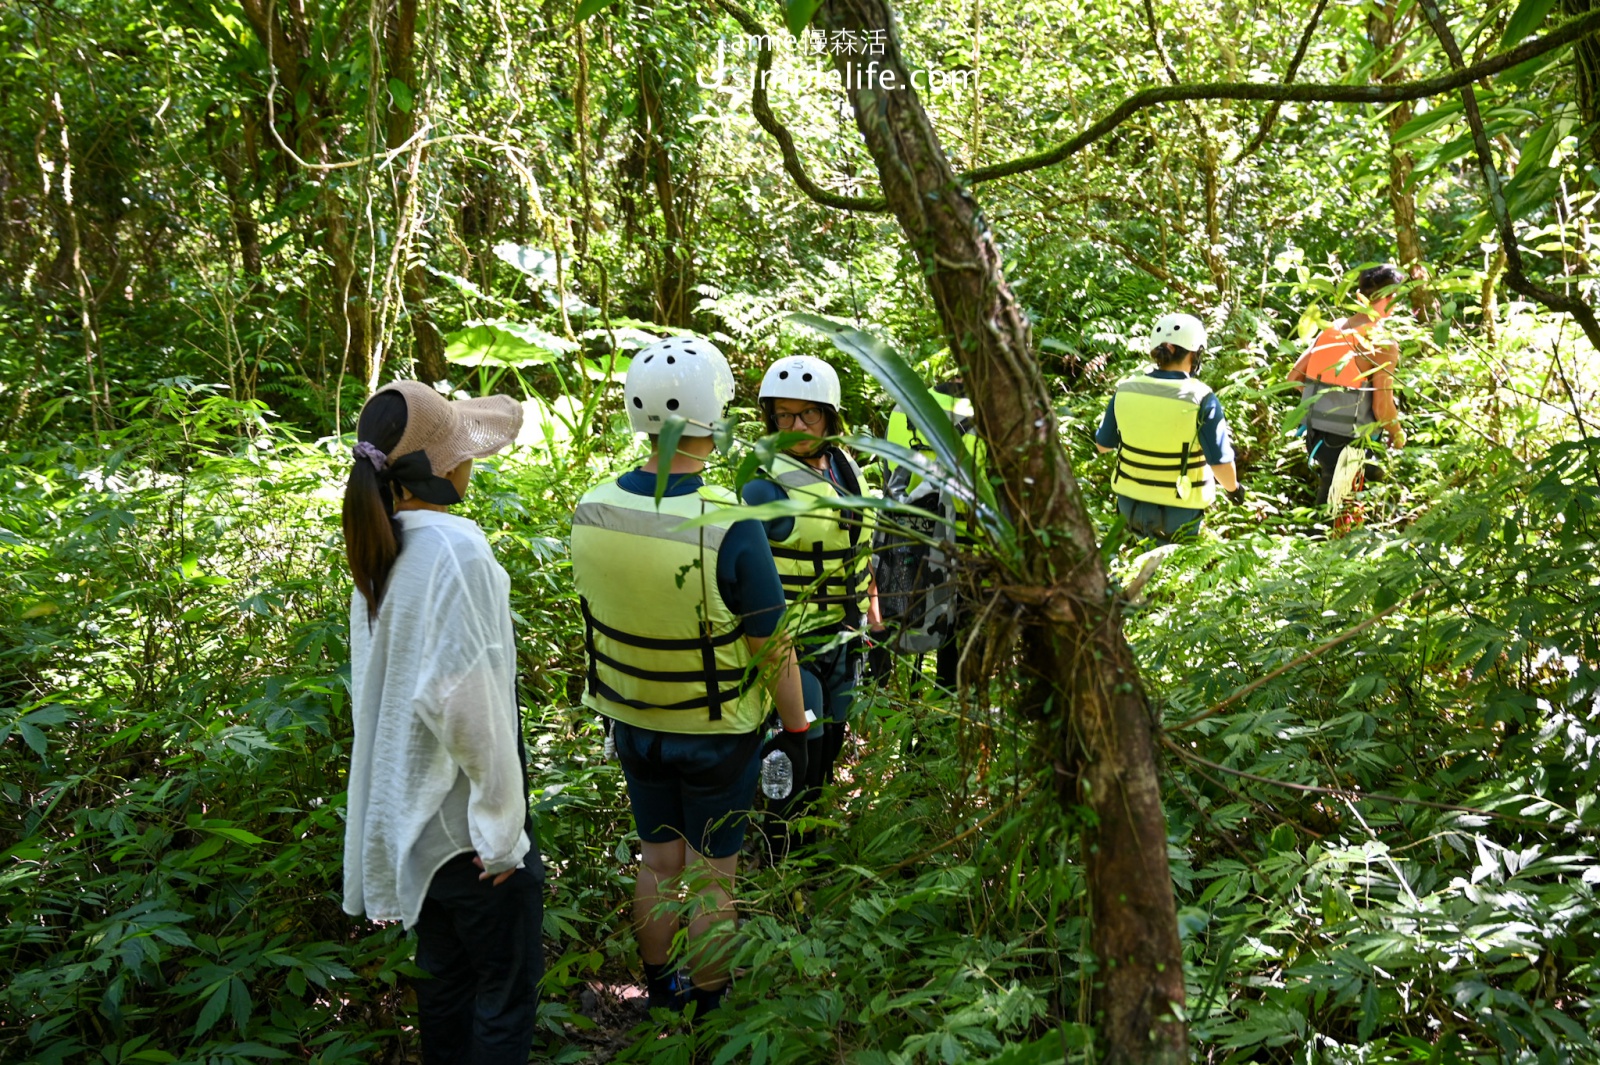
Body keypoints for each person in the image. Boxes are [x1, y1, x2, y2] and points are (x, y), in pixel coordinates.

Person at [569, 336, 808, 1017]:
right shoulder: (729, 523)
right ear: (715, 417)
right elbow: (774, 645)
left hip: (633, 720)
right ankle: (709, 1005)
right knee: (713, 877)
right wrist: (797, 722)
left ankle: (660, 988)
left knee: (657, 861)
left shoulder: (592, 507)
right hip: (715, 731)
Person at [340, 381, 543, 1064]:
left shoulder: (383, 545)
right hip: (469, 833)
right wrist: (503, 835)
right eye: (464, 449)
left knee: (447, 993)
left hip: (416, 824)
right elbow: (468, 703)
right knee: (502, 1000)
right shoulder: (455, 549)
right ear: (445, 469)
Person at [741, 355, 879, 839]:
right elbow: (735, 570)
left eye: (809, 414)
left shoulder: (846, 469)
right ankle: (781, 847)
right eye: (784, 415)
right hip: (791, 645)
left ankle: (812, 840)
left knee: (832, 743)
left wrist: (872, 610)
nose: (796, 425)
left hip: (844, 634)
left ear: (830, 416)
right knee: (801, 746)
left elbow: (858, 545)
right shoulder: (764, 486)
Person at [1095, 313, 1242, 543]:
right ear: (1195, 353)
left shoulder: (1125, 390)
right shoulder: (1202, 397)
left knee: (1137, 572)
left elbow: (1103, 446)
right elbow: (1221, 464)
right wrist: (1234, 491)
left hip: (1128, 506)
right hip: (1178, 511)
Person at [1287, 263, 1407, 506]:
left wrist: (1326, 401)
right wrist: (1397, 433)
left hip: (1315, 437)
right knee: (1336, 514)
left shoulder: (1334, 329)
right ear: (1393, 297)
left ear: (1359, 296)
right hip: (1350, 441)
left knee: (1337, 505)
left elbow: (1294, 377)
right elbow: (1382, 409)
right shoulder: (1382, 343)